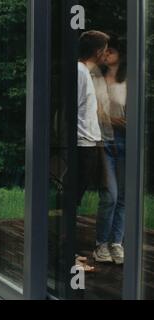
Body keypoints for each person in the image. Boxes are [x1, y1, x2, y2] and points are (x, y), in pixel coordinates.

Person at [75, 30, 110, 271]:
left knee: (74, 199)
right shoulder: (80, 73)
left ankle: (70, 252)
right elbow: (73, 108)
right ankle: (68, 258)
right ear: (98, 51)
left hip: (88, 143)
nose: (107, 53)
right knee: (72, 200)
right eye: (105, 49)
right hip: (82, 145)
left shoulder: (84, 72)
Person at [92, 34, 127, 264]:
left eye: (110, 52)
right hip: (105, 142)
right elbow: (95, 113)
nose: (105, 55)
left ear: (120, 55)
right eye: (104, 52)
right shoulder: (96, 77)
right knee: (110, 196)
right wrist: (113, 120)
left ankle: (116, 243)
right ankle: (101, 244)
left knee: (123, 196)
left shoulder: (128, 81)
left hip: (126, 142)